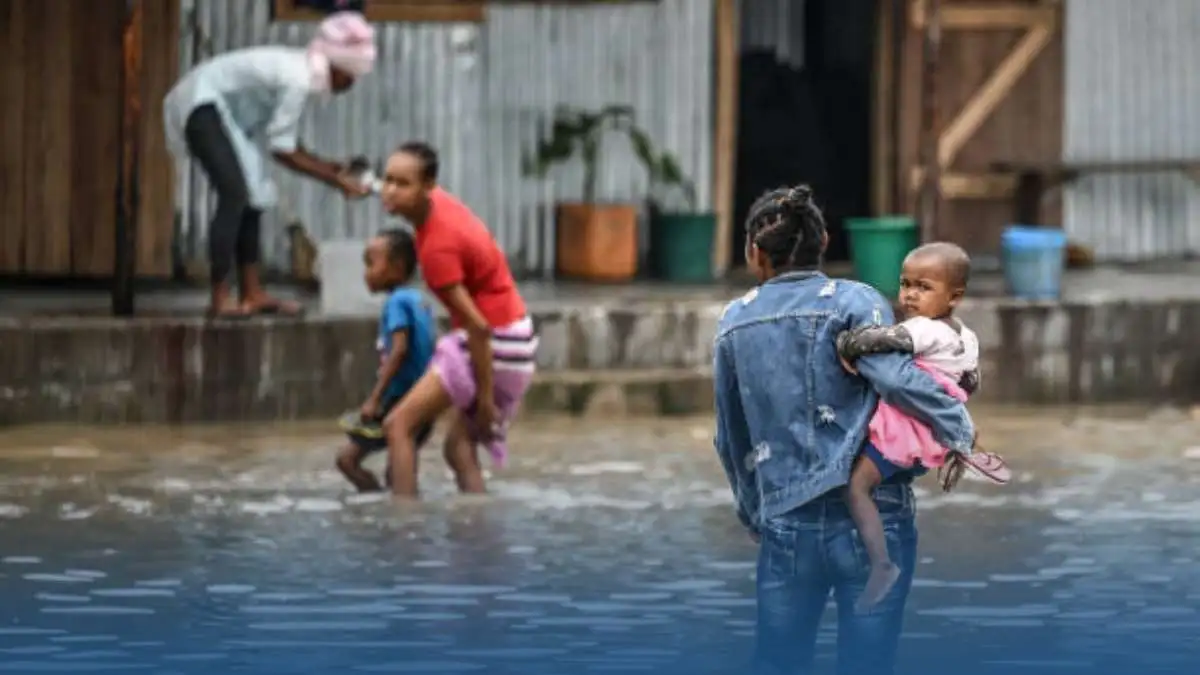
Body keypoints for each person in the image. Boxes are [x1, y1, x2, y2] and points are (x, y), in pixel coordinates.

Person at [712, 185, 978, 675]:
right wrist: (959, 425)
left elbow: (731, 438)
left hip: (787, 518)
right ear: (825, 241)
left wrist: (756, 513)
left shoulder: (734, 321)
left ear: (754, 252)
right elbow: (896, 381)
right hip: (876, 516)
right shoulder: (858, 301)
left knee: (778, 662)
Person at [163, 11, 377, 318]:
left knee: (255, 194)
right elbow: (282, 151)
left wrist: (334, 169)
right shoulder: (299, 79)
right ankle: (220, 297)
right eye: (351, 75)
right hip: (202, 103)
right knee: (235, 193)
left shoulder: (304, 72)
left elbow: (284, 137)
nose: (352, 83)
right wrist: (334, 180)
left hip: (221, 113)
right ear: (338, 67)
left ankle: (252, 293)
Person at [835, 242, 1010, 613]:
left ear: (954, 296)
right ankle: (961, 446)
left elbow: (884, 339)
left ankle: (881, 565)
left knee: (856, 488)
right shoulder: (966, 336)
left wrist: (846, 343)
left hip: (904, 428)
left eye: (924, 287)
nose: (910, 295)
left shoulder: (924, 330)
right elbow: (969, 383)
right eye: (905, 284)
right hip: (925, 430)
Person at [378, 141, 538, 498]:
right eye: (387, 180)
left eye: (402, 184)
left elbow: (478, 327)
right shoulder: (437, 206)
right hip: (518, 336)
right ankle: (479, 530)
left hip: (494, 340)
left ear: (427, 186)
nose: (389, 191)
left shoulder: (437, 249)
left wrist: (483, 401)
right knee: (458, 448)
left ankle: (402, 529)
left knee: (398, 426)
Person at [335, 229, 437, 493]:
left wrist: (375, 399)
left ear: (397, 268)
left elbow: (399, 350)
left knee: (347, 460)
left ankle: (379, 510)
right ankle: (400, 516)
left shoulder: (396, 303)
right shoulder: (419, 300)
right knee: (399, 473)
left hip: (400, 401)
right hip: (425, 400)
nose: (366, 273)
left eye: (371, 264)